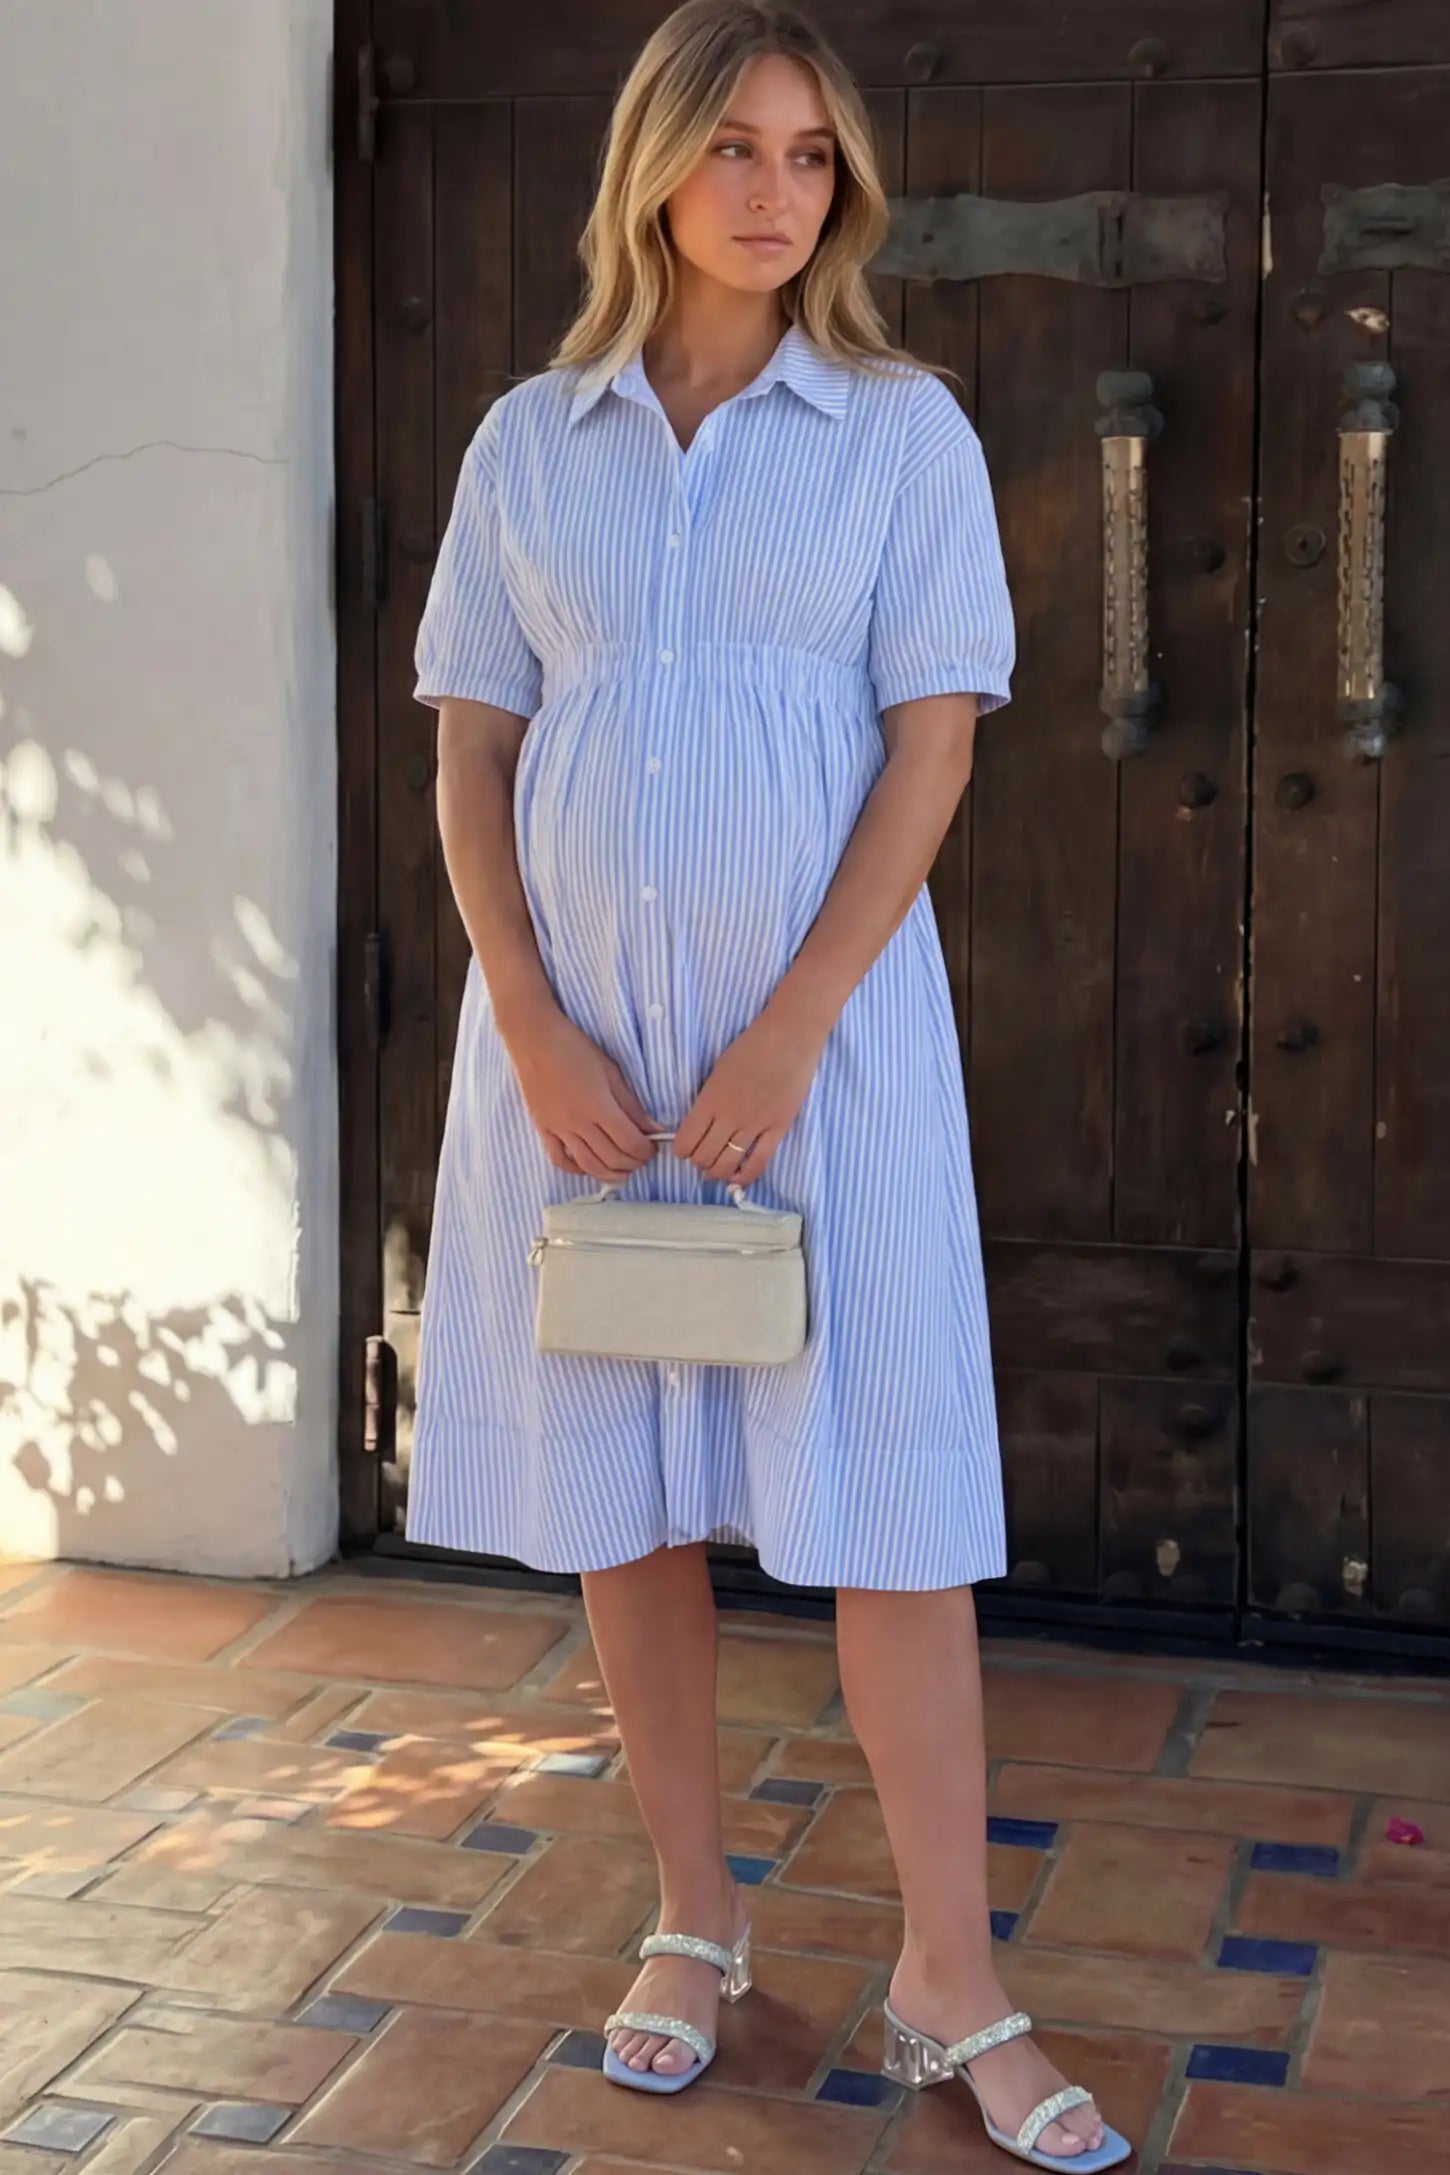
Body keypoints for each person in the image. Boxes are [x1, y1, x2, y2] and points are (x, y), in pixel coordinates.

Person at [405, 3, 1129, 2167]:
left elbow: (931, 740)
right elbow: (469, 751)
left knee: (891, 1502)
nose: (772, 191)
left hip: (825, 1053)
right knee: (623, 1485)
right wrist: (528, 1017)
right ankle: (693, 1915)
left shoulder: (892, 433)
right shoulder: (529, 441)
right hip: (582, 1063)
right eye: (732, 146)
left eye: (810, 156)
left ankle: (949, 1973)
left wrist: (798, 1016)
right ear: (652, 168)